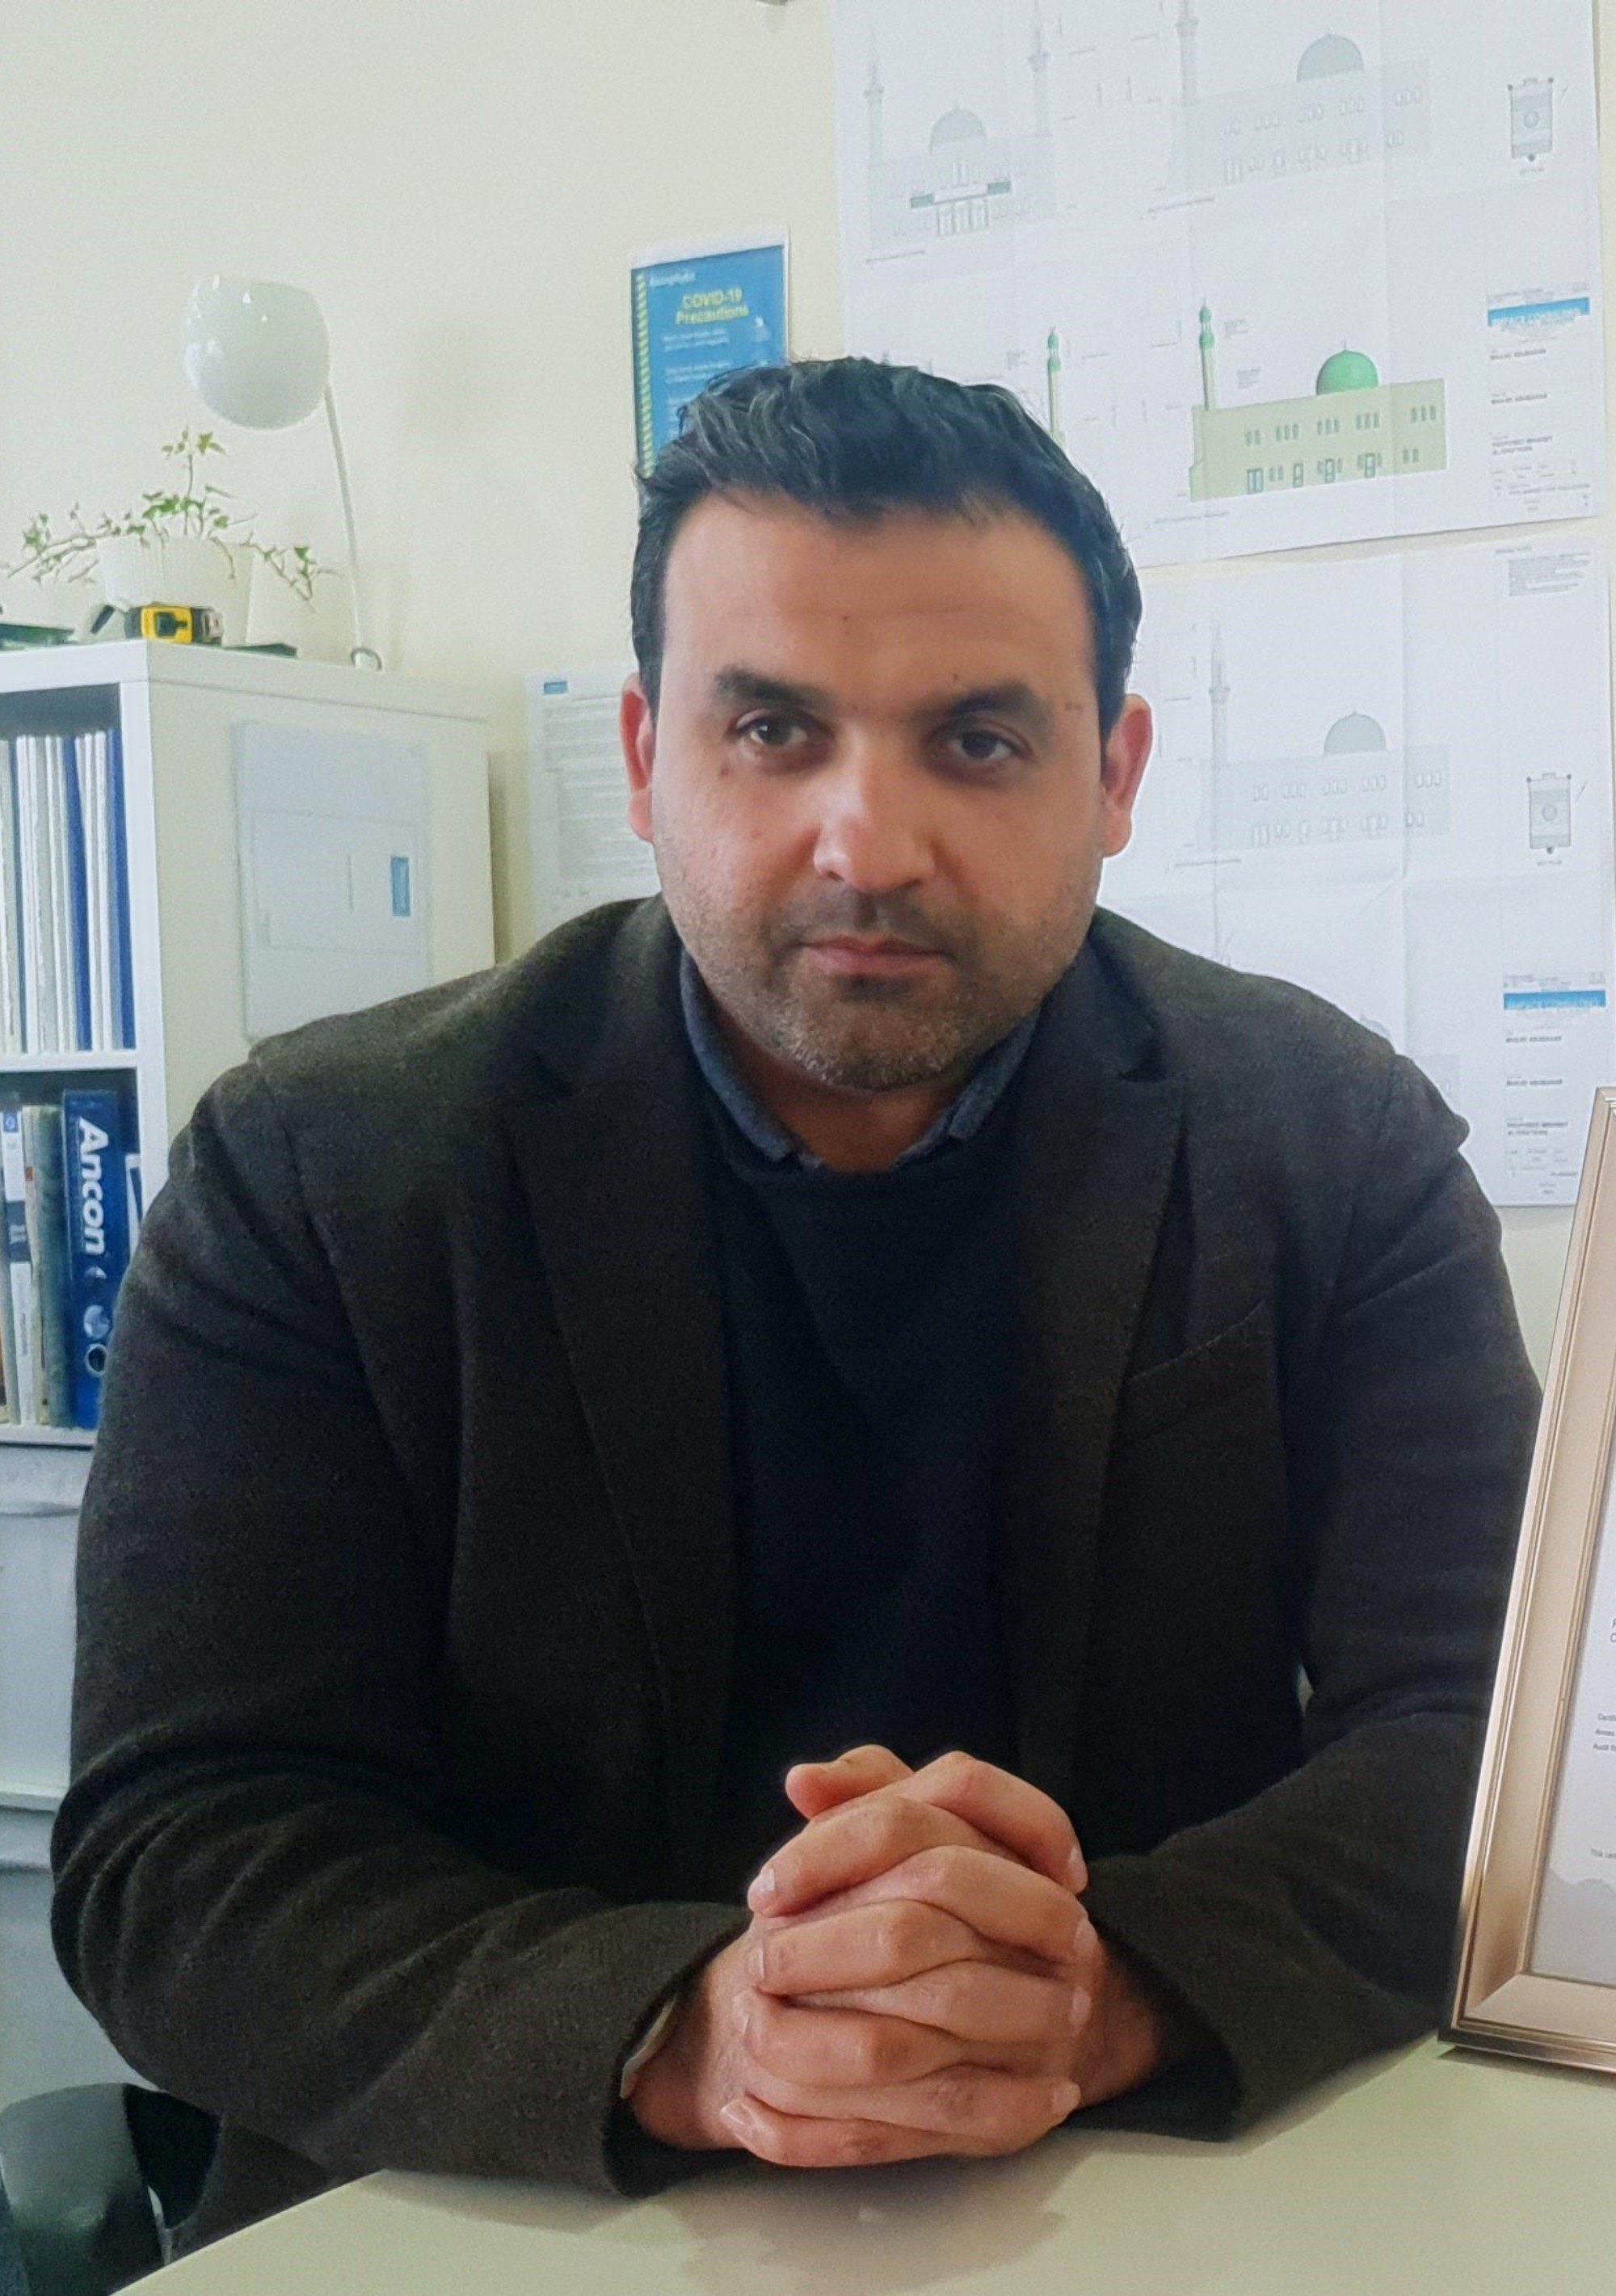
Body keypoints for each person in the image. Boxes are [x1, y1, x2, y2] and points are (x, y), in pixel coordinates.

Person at [52, 358, 1539, 2248]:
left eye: (976, 739)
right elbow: (181, 1849)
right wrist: (690, 2027)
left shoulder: (1333, 1142)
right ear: (644, 753)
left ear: (1115, 775)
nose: (866, 842)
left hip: (1158, 2200)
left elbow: (1496, 1748)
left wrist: (1104, 1987)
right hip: (488, 2212)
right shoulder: (317, 1175)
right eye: (771, 728)